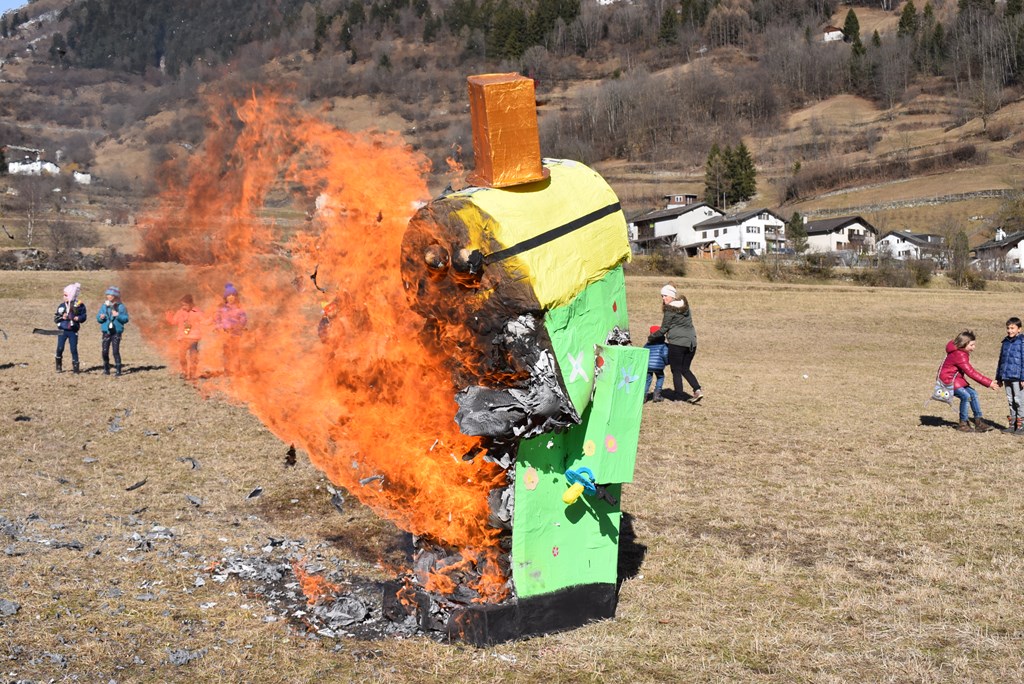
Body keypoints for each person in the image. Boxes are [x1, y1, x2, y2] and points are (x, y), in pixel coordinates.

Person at [940, 330, 998, 432]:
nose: (973, 347)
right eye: (971, 345)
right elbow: (971, 372)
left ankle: (979, 422)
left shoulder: (959, 351)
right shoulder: (959, 354)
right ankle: (963, 424)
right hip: (948, 381)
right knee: (966, 396)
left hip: (955, 379)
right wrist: (989, 383)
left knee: (973, 393)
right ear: (963, 344)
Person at [659, 284, 702, 402]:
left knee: (676, 370)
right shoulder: (686, 307)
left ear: (672, 296)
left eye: (665, 295)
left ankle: (678, 397)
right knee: (685, 368)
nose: (663, 298)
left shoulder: (669, 310)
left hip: (677, 343)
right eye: (662, 296)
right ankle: (697, 389)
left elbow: (664, 328)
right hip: (691, 343)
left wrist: (651, 337)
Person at [995, 317, 1024, 432]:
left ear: (1019, 329)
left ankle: (1021, 425)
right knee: (1010, 400)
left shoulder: (1022, 342)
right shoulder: (1005, 342)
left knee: (1019, 400)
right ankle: (1013, 425)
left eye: (1012, 328)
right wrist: (999, 377)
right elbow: (1001, 360)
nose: (1009, 330)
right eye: (1008, 328)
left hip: (1017, 377)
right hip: (1006, 376)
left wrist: (1023, 377)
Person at [166, 294, 203, 380]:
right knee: (182, 356)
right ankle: (184, 371)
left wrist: (213, 318)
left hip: (193, 337)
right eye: (182, 305)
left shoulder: (197, 312)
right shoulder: (180, 313)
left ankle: (192, 373)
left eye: (185, 305)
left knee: (193, 356)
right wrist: (168, 315)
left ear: (191, 304)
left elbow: (204, 321)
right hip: (183, 338)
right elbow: (173, 322)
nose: (183, 307)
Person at [213, 283, 248, 375]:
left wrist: (238, 327)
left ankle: (237, 370)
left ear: (236, 297)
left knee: (235, 351)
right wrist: (219, 327)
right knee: (226, 352)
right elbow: (217, 319)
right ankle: (227, 370)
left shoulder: (239, 309)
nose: (231, 297)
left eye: (233, 295)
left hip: (235, 334)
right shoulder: (222, 309)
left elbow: (243, 320)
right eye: (229, 295)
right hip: (225, 333)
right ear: (225, 297)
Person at [96, 286, 129, 376]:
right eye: (107, 295)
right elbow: (98, 318)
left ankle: (118, 370)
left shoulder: (121, 307)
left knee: (115, 351)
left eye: (110, 295)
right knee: (104, 351)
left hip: (116, 332)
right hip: (106, 331)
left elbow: (126, 319)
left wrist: (118, 315)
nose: (108, 296)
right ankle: (106, 369)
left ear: (115, 296)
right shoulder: (104, 306)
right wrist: (101, 317)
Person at [54, 282, 86, 373]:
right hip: (62, 330)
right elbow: (56, 318)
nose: (64, 297)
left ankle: (76, 367)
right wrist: (62, 317)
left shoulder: (79, 306)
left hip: (73, 331)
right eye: (63, 295)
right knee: (60, 348)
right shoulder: (61, 306)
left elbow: (84, 317)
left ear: (71, 295)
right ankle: (58, 365)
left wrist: (78, 318)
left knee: (73, 349)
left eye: (66, 295)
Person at [644, 325, 669, 403]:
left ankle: (643, 396)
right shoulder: (664, 345)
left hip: (647, 365)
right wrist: (667, 362)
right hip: (658, 366)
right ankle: (657, 395)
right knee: (660, 377)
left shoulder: (647, 344)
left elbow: (643, 353)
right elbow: (665, 355)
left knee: (647, 380)